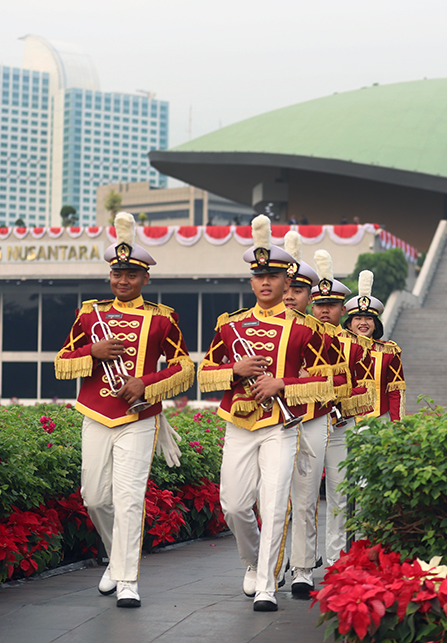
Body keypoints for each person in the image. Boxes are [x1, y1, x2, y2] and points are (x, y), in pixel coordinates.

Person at [198, 215, 336, 612]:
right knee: (235, 505)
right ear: (252, 281)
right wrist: (233, 371)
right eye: (258, 276)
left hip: (282, 425)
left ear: (285, 281)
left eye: (273, 277)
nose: (265, 283)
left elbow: (329, 381)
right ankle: (254, 562)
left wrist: (283, 384)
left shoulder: (306, 329)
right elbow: (204, 371)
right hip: (239, 422)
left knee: (275, 503)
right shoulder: (231, 325)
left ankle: (266, 585)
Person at [55, 211, 193, 608]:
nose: (123, 281)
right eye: (117, 273)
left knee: (130, 497)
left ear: (145, 278)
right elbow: (63, 361)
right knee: (94, 497)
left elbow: (185, 366)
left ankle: (128, 579)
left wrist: (145, 384)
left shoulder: (163, 319)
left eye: (131, 275)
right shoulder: (88, 314)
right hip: (96, 412)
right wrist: (91, 351)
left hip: (140, 416)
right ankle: (117, 559)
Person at [281, 234, 346, 596]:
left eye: (296, 289)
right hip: (265, 420)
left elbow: (342, 376)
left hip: (311, 416)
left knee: (305, 497)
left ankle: (302, 568)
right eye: (284, 287)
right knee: (266, 499)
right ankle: (265, 564)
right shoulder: (252, 326)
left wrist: (314, 378)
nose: (289, 295)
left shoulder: (323, 333)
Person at [310, 250, 374, 566]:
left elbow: (364, 388)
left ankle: (335, 560)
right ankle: (301, 563)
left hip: (338, 428)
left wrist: (341, 406)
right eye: (319, 304)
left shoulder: (356, 345)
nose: (324, 310)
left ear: (340, 309)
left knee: (339, 496)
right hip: (302, 427)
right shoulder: (299, 334)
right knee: (300, 499)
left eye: (330, 305)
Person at [344, 270, 406, 422]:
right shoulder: (338, 346)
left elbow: (395, 391)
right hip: (343, 419)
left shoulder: (388, 352)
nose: (363, 323)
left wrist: (397, 423)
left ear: (376, 324)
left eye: (369, 319)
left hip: (378, 419)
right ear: (349, 325)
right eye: (358, 318)